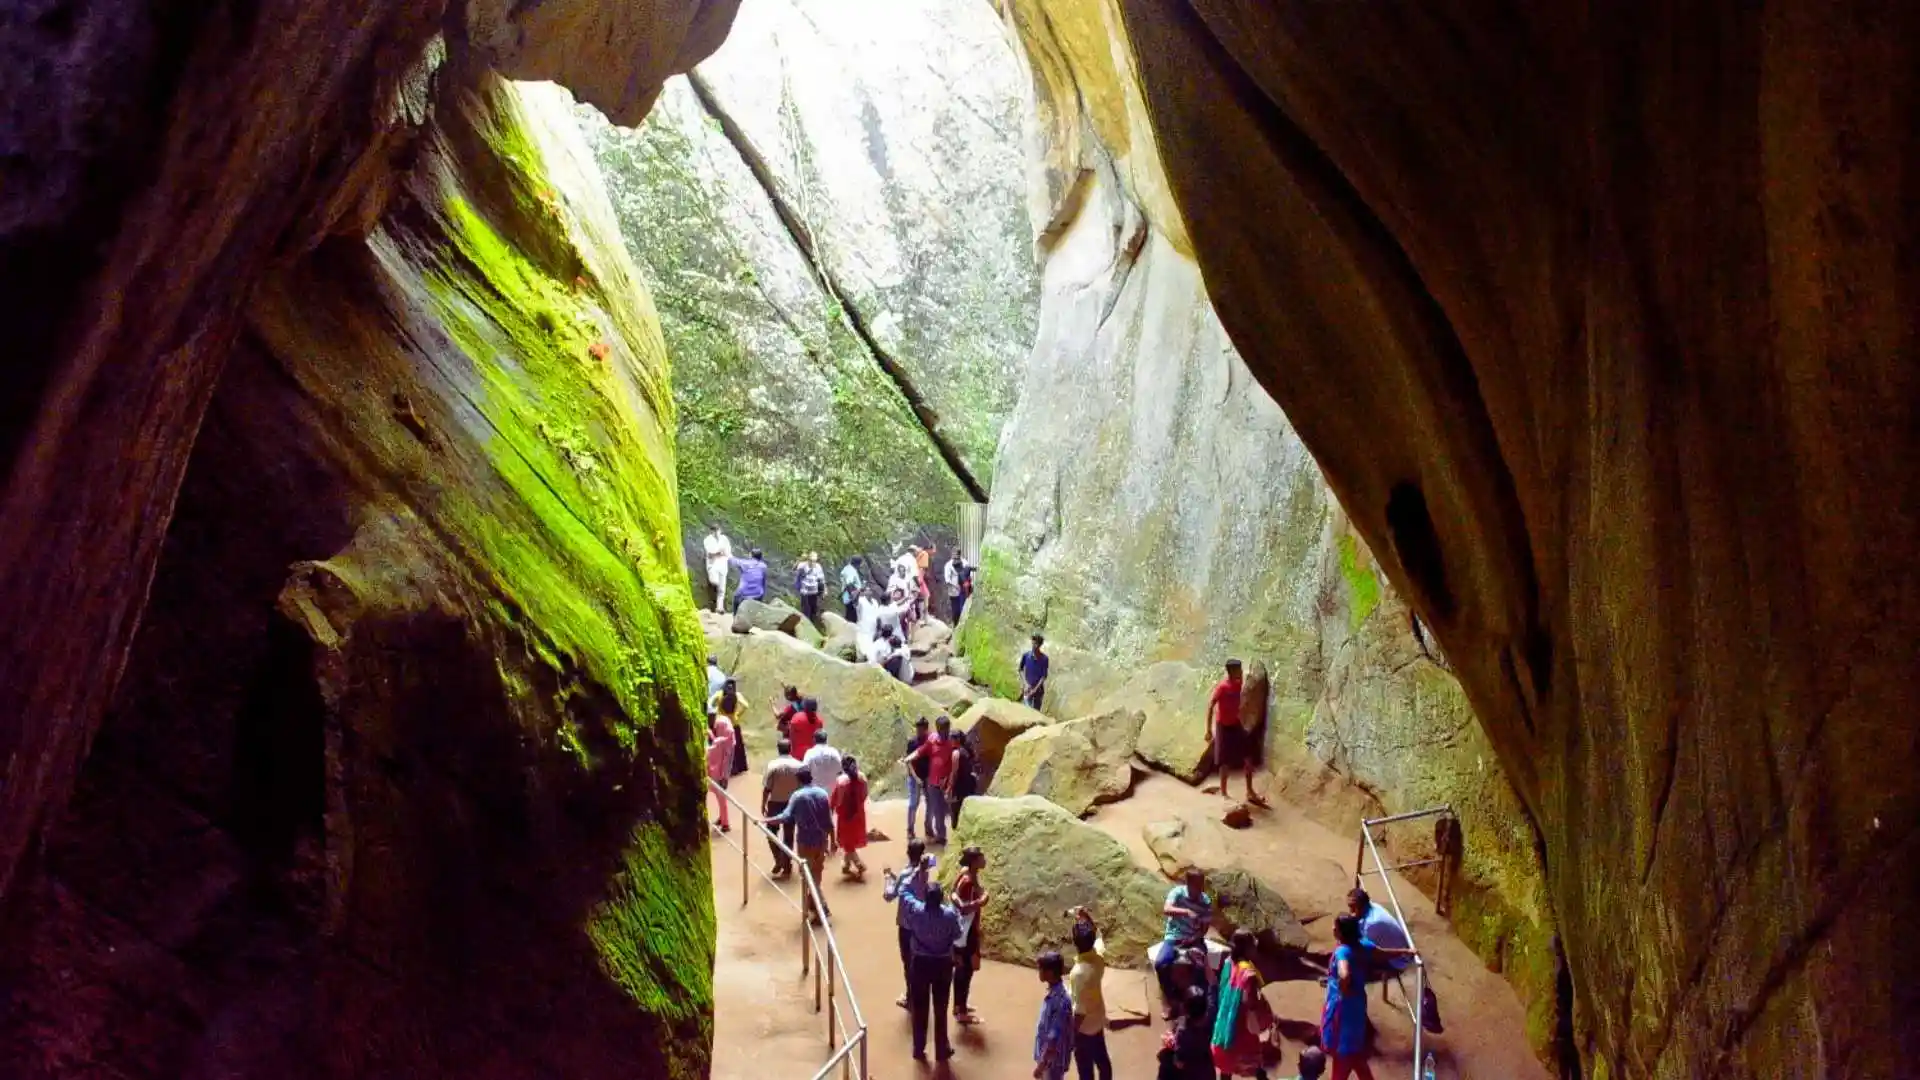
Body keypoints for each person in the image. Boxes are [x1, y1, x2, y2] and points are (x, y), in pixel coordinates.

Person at [1322, 914, 1415, 1080]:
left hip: (1343, 1009)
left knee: (1343, 1052)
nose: (1332, 929)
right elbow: (1383, 954)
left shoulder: (1343, 951)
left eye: (1335, 927)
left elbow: (1344, 974)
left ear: (1342, 933)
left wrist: (1343, 988)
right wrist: (1407, 952)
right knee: (1354, 1050)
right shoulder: (1363, 945)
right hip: (1357, 1003)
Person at [887, 872, 960, 1062]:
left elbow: (903, 892)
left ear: (925, 898)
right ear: (941, 899)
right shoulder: (950, 915)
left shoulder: (916, 911)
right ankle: (941, 1049)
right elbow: (958, 934)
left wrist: (913, 872)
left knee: (920, 1009)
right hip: (943, 965)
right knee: (941, 1009)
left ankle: (918, 1049)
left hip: (920, 964)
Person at [763, 768, 835, 925]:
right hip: (821, 841)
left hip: (805, 842)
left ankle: (822, 907)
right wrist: (833, 841)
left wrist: (767, 820)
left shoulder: (797, 796)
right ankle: (814, 904)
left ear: (798, 781)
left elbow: (785, 816)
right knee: (816, 875)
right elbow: (829, 822)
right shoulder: (822, 794)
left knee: (808, 877)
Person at [1211, 929, 1274, 1079]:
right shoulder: (1249, 974)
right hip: (1241, 1026)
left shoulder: (1228, 962)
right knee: (1256, 1065)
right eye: (1253, 946)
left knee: (1225, 1067)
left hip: (1225, 1022)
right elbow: (1250, 1001)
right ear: (1247, 948)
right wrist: (1262, 1018)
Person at [885, 839, 939, 1004]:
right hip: (921, 923)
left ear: (908, 853)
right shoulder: (925, 873)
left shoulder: (905, 874)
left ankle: (911, 996)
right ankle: (921, 994)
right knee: (921, 959)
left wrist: (888, 878)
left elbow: (889, 895)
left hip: (906, 925)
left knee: (908, 961)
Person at [1208, 659, 1267, 807]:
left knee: (1248, 757)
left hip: (1235, 724)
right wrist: (1208, 730)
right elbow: (1211, 706)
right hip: (1223, 726)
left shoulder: (1238, 684)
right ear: (1231, 671)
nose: (1241, 672)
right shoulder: (1222, 687)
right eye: (1239, 670)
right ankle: (1223, 792)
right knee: (1224, 761)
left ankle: (1249, 791)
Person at [1155, 869, 1213, 1015]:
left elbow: (1204, 928)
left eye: (1201, 884)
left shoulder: (1205, 901)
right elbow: (1166, 909)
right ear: (1188, 884)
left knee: (1201, 967)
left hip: (1194, 939)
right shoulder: (1177, 893)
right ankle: (1172, 1001)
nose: (1200, 888)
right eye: (1197, 885)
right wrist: (1186, 912)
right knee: (1161, 963)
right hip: (1174, 937)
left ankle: (1201, 1006)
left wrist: (1194, 938)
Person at [1347, 888, 1414, 1003]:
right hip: (1394, 948)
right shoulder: (1372, 906)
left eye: (1353, 907)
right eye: (1349, 907)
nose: (1350, 911)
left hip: (1397, 960)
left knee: (1353, 974)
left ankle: (1356, 1005)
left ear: (1362, 905)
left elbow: (1372, 951)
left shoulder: (1372, 924)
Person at [1068, 908, 1112, 1080]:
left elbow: (1079, 1012)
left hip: (1084, 1029)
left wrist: (1071, 1035)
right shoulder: (1099, 957)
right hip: (1098, 1020)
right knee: (1102, 1061)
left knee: (1085, 1069)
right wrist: (1087, 917)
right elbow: (1099, 936)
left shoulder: (1078, 973)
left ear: (1074, 942)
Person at [950, 846, 990, 1024]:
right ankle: (960, 1011)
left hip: (964, 930)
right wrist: (981, 901)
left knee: (964, 969)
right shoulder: (967, 881)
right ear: (974, 862)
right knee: (964, 970)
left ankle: (961, 1005)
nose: (984, 860)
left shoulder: (966, 873)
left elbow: (952, 894)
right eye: (981, 857)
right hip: (966, 933)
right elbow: (964, 908)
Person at [902, 715, 955, 844]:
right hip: (925, 779)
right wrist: (910, 759)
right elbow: (920, 751)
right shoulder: (929, 740)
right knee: (919, 805)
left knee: (938, 810)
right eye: (942, 729)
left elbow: (954, 763)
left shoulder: (951, 743)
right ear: (937, 729)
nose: (944, 732)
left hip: (938, 781)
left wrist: (949, 782)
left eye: (946, 729)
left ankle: (938, 835)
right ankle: (914, 830)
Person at [761, 738, 804, 876]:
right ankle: (786, 863)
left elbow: (767, 788)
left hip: (775, 803)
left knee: (771, 832)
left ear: (778, 749)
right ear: (790, 749)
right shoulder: (798, 765)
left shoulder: (773, 765)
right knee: (789, 834)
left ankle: (779, 859)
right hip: (792, 803)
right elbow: (802, 786)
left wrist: (763, 804)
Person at [1033, 949, 1075, 1080]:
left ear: (1050, 972)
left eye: (1041, 969)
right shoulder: (1056, 994)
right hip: (1050, 1061)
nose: (1039, 972)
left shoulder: (1060, 1001)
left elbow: (1053, 1038)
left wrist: (1041, 1065)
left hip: (1051, 1063)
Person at [1158, 986, 1216, 1080]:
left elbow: (1179, 1063)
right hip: (1207, 1073)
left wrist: (1169, 1049)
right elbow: (1212, 1001)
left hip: (1191, 1074)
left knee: (1164, 1058)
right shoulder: (1210, 1019)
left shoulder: (1183, 1031)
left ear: (1185, 1008)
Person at [830, 756, 869, 879]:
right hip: (858, 815)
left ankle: (859, 864)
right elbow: (864, 795)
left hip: (844, 816)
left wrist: (830, 811)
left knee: (848, 843)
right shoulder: (862, 778)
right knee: (850, 843)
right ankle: (845, 866)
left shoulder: (840, 781)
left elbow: (834, 800)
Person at [904, 718, 935, 843]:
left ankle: (928, 828)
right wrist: (916, 778)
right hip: (914, 776)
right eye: (917, 728)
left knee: (931, 803)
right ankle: (910, 830)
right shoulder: (912, 742)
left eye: (921, 728)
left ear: (926, 729)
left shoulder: (931, 742)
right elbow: (908, 762)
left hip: (928, 776)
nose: (918, 731)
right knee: (913, 804)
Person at [704, 711, 737, 831]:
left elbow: (727, 757)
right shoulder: (719, 727)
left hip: (721, 768)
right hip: (717, 766)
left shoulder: (725, 732)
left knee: (721, 794)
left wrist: (725, 776)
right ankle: (722, 817)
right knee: (717, 792)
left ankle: (725, 824)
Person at [802, 730, 843, 802]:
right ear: (826, 739)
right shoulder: (834, 752)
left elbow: (804, 770)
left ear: (814, 740)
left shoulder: (810, 753)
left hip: (815, 791)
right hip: (832, 792)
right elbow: (840, 770)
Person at [947, 734, 978, 827]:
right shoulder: (966, 751)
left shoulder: (956, 753)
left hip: (959, 786)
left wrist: (949, 788)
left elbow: (954, 772)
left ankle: (956, 834)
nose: (949, 741)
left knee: (955, 812)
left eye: (951, 739)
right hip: (968, 785)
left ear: (956, 740)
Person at [703, 523, 733, 613]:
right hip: (713, 564)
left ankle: (719, 607)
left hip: (723, 564)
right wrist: (718, 552)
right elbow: (709, 551)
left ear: (720, 530)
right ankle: (715, 586)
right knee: (714, 581)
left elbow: (728, 551)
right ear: (711, 531)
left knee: (722, 588)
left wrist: (728, 556)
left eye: (717, 530)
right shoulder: (708, 539)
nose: (716, 532)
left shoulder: (724, 539)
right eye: (714, 530)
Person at [729, 547, 769, 613]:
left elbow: (732, 560)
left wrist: (727, 553)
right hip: (758, 595)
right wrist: (762, 594)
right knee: (760, 591)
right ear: (761, 557)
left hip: (744, 594)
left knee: (736, 596)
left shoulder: (744, 563)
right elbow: (764, 582)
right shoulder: (763, 566)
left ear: (750, 555)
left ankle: (735, 616)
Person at [794, 551, 827, 628]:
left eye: (815, 561)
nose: (813, 563)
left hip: (814, 592)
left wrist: (824, 590)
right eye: (811, 560)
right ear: (808, 559)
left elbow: (822, 580)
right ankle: (805, 626)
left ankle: (812, 625)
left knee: (814, 609)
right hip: (805, 592)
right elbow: (794, 569)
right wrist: (799, 560)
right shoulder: (802, 565)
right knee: (806, 610)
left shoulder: (818, 567)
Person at [1019, 634, 1050, 711]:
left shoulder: (1045, 659)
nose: (1033, 646)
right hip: (1028, 689)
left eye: (1035, 644)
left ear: (1040, 645)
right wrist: (1025, 684)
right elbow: (1020, 669)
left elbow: (1044, 676)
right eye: (1032, 643)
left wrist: (1035, 689)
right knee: (1027, 710)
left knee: (1036, 712)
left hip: (1038, 691)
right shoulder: (1026, 656)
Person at [943, 551, 968, 624]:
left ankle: (963, 625)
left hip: (964, 590)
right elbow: (947, 580)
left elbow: (968, 573)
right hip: (954, 591)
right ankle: (956, 625)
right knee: (956, 610)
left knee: (964, 609)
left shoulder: (964, 562)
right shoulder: (948, 565)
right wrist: (955, 586)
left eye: (957, 555)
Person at [840, 555, 865, 622]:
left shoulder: (848, 568)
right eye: (860, 564)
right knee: (851, 618)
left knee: (850, 615)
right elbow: (849, 583)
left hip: (849, 596)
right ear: (857, 563)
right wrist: (852, 595)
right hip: (850, 597)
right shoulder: (851, 570)